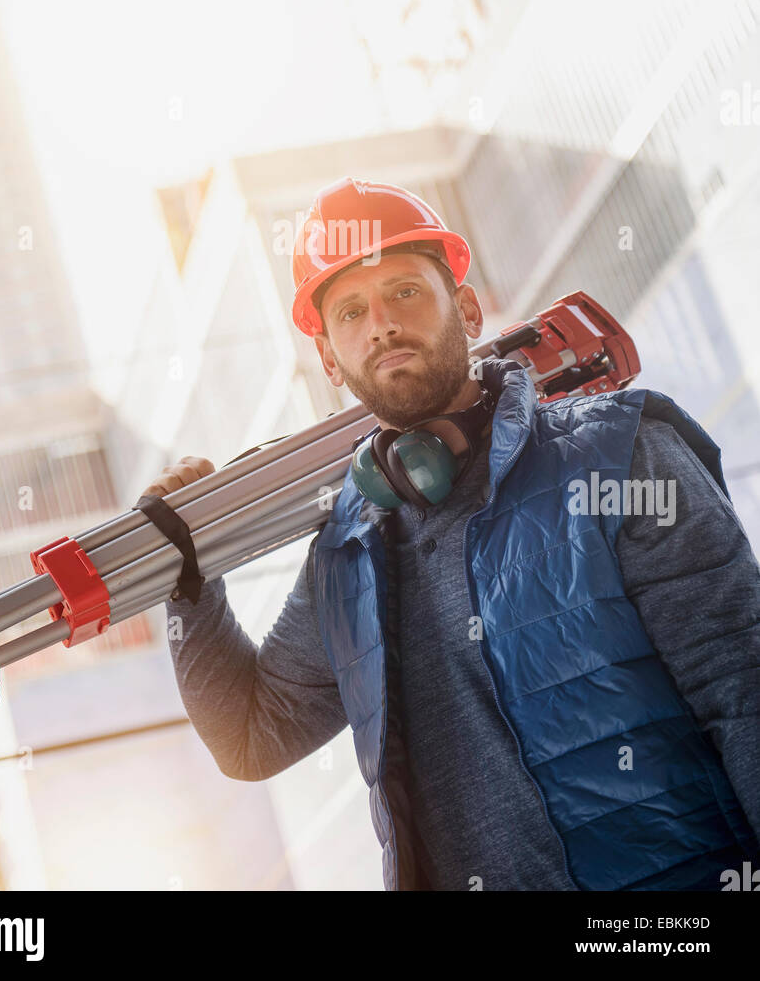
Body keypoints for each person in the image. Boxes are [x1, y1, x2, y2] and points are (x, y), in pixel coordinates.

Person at [145, 176, 760, 891]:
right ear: (329, 361)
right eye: (350, 312)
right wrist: (186, 581)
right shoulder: (345, 560)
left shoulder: (617, 455)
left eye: (404, 291)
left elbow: (740, 686)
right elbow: (251, 737)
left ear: (465, 308)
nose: (379, 324)